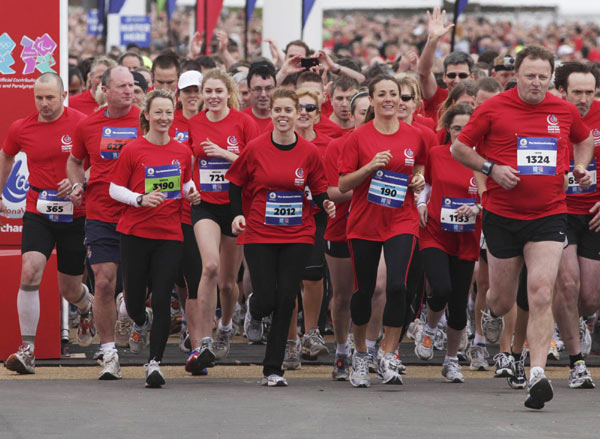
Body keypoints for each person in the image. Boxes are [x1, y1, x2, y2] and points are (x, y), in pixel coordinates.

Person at [451, 45, 594, 410]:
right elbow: (459, 148)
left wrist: (579, 167)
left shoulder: (562, 110)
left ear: (551, 78)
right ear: (516, 75)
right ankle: (488, 314)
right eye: (529, 75)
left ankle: (537, 372)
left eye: (543, 77)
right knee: (500, 300)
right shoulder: (493, 108)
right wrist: (490, 169)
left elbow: (582, 140)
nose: (536, 83)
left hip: (548, 214)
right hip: (502, 215)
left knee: (542, 292)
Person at [226, 88, 336, 386]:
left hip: (298, 232)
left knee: (287, 297)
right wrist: (238, 214)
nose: (284, 115)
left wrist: (325, 202)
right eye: (279, 110)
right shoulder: (256, 148)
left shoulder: (309, 152)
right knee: (267, 296)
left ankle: (273, 368)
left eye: (290, 110)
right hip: (260, 231)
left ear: (296, 113)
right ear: (271, 114)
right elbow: (235, 182)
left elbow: (319, 187)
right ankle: (255, 307)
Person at [1, 73, 93, 375]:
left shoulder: (80, 123)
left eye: (50, 97)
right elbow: (6, 156)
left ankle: (85, 306)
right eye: (39, 97)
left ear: (64, 95)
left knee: (69, 288)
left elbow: (96, 164)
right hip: (38, 209)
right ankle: (27, 350)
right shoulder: (21, 128)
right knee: (29, 269)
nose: (44, 103)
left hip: (74, 213)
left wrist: (80, 184)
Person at [338, 75, 426, 387]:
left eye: (395, 94)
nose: (390, 99)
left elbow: (420, 167)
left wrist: (418, 179)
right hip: (364, 222)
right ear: (372, 100)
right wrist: (369, 167)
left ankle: (388, 354)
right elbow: (343, 183)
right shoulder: (358, 138)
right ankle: (360, 353)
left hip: (401, 220)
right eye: (383, 94)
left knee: (398, 288)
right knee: (364, 291)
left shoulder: (415, 135)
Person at [109, 89, 200, 387]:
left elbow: (185, 181)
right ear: (147, 115)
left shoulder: (182, 151)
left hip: (169, 234)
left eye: (168, 113)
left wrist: (191, 193)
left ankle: (154, 363)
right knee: (136, 301)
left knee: (162, 297)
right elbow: (114, 189)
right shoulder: (133, 150)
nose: (163, 118)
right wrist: (139, 199)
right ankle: (140, 319)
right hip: (135, 233)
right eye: (157, 112)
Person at [67, 65, 141, 380]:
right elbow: (74, 160)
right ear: (105, 89)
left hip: (140, 212)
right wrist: (76, 184)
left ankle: (131, 315)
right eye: (122, 86)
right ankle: (109, 352)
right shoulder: (88, 125)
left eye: (132, 86)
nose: (128, 90)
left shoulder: (144, 120)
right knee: (105, 282)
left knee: (137, 286)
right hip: (101, 212)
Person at [185, 69, 259, 374]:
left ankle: (226, 325)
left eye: (218, 91)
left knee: (229, 283)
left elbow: (256, 162)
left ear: (229, 92)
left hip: (235, 205)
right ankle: (203, 339)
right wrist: (188, 188)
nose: (213, 97)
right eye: (208, 91)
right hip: (204, 205)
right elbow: (185, 161)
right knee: (210, 267)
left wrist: (227, 155)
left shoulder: (244, 122)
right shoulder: (194, 123)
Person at [415, 103, 481, 383]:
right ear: (448, 130)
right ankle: (429, 329)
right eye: (456, 128)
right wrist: (420, 203)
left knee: (458, 303)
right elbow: (427, 184)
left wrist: (477, 209)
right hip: (435, 232)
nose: (461, 133)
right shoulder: (436, 154)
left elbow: (492, 197)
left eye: (466, 129)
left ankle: (452, 360)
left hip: (466, 238)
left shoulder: (483, 161)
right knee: (440, 287)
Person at [553, 61, 600, 389]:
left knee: (590, 298)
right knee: (567, 285)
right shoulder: (550, 115)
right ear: (562, 91)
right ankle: (576, 362)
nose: (583, 99)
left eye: (589, 92)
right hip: (558, 211)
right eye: (577, 92)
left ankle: (585, 320)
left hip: (594, 213)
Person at [282, 89, 333, 368]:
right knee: (288, 279)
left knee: (313, 275)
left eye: (309, 107)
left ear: (318, 114)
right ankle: (290, 340)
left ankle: (312, 333)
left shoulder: (329, 144)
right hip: (284, 217)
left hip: (316, 216)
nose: (303, 112)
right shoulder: (277, 142)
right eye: (297, 106)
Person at [169, 70, 204, 357]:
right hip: (175, 209)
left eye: (197, 90)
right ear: (179, 94)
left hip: (209, 207)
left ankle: (200, 331)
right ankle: (186, 317)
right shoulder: (170, 121)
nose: (193, 96)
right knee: (181, 277)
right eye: (187, 91)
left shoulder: (213, 119)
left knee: (204, 272)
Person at [418, 8, 475, 123]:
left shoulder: (479, 101)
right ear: (444, 77)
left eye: (462, 75)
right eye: (452, 75)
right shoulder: (438, 97)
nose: (457, 80)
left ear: (472, 77)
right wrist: (433, 40)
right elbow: (423, 74)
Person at [243, 62, 276, 133]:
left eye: (268, 88)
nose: (263, 94)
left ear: (275, 90)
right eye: (258, 89)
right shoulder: (240, 120)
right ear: (249, 91)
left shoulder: (284, 119)